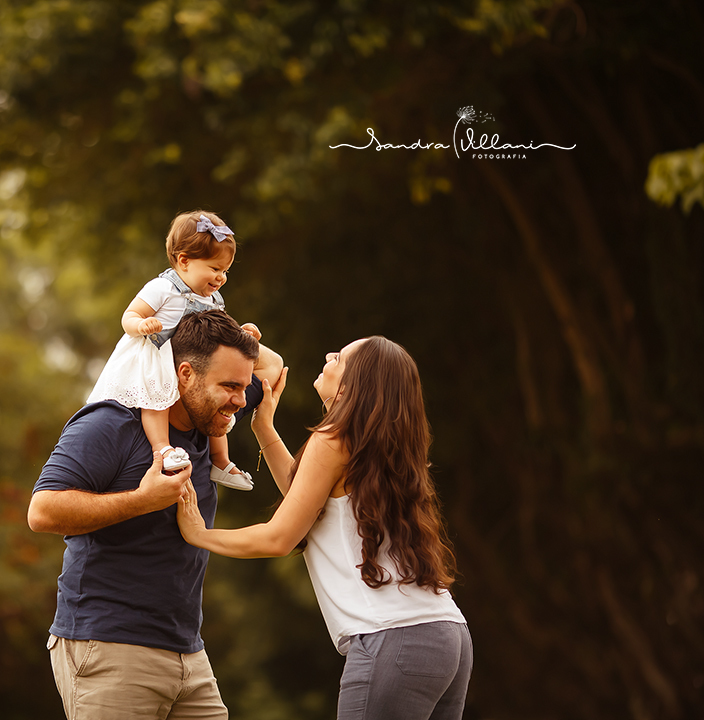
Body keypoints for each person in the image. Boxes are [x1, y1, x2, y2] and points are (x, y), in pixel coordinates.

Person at [177, 336, 472, 720]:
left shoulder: (333, 440)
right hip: (447, 636)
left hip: (393, 637)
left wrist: (199, 534)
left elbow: (280, 537)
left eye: (341, 357)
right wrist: (264, 428)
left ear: (352, 386)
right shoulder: (376, 446)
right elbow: (310, 503)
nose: (330, 355)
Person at [28, 309, 283, 720]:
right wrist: (143, 499)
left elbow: (271, 365)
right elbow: (41, 511)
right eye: (230, 386)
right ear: (185, 375)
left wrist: (197, 310)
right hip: (109, 645)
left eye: (243, 386)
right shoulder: (112, 422)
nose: (241, 400)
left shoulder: (211, 414)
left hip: (188, 652)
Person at [86, 209, 266, 490]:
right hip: (157, 355)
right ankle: (163, 449)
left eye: (225, 271)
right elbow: (129, 315)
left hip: (189, 361)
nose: (221, 278)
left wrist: (241, 333)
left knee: (213, 408)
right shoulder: (163, 288)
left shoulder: (213, 298)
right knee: (157, 399)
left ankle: (221, 461)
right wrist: (141, 324)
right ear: (184, 261)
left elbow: (219, 334)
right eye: (215, 269)